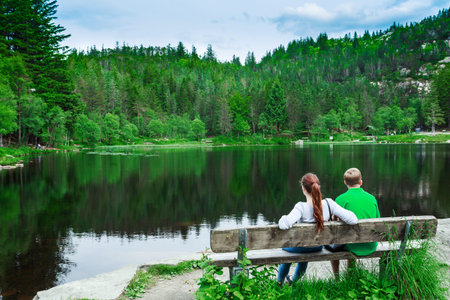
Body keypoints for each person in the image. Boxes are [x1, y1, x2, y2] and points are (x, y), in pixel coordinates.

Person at [277, 173, 358, 285]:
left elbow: (284, 224)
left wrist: (283, 217)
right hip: (317, 246)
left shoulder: (301, 207)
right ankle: (293, 279)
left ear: (303, 188)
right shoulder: (329, 204)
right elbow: (353, 219)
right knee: (303, 251)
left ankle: (279, 282)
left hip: (301, 247)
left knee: (287, 250)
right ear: (318, 187)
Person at [330, 167, 381, 277]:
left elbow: (334, 222)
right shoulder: (372, 198)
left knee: (339, 241)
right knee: (353, 236)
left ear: (345, 182)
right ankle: (350, 276)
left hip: (351, 244)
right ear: (361, 182)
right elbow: (378, 219)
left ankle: (337, 278)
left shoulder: (340, 199)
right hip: (370, 244)